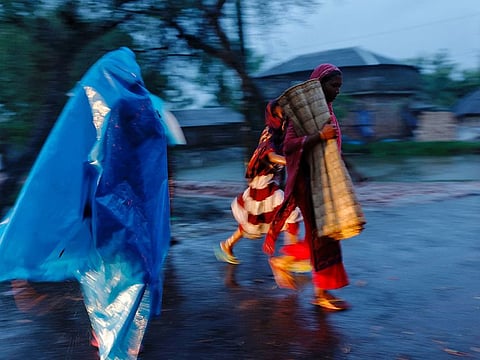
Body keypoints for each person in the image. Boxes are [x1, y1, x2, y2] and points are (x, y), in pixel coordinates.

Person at [263, 63, 365, 311]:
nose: (338, 90)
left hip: (325, 183)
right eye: (334, 85)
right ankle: (320, 293)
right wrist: (318, 136)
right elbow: (288, 148)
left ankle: (288, 266)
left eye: (340, 86)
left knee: (324, 237)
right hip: (307, 182)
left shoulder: (327, 111)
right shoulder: (301, 115)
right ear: (319, 85)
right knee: (321, 238)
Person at [215, 100, 303, 265]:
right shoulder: (269, 131)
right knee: (289, 212)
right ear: (272, 115)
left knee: (255, 220)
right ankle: (290, 256)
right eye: (279, 113)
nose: (283, 115)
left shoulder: (280, 133)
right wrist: (291, 161)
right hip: (262, 183)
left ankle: (227, 245)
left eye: (284, 112)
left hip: (266, 182)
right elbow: (269, 156)